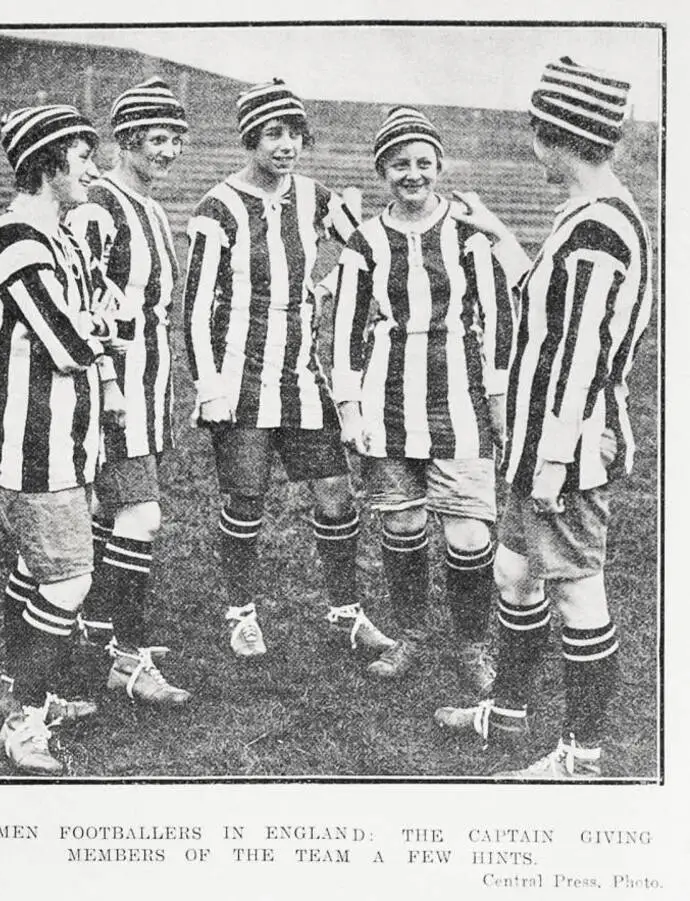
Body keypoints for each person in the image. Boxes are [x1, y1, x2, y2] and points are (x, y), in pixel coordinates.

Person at [434, 57, 653, 779]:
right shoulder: (594, 217)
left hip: (568, 451)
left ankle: (581, 756)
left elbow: (578, 357)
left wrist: (552, 465)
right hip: (540, 446)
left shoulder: (600, 230)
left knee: (576, 588)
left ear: (553, 135)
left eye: (536, 129)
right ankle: (511, 710)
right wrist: (498, 233)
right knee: (516, 575)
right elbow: (550, 306)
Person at [182, 79, 392, 659]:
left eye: (295, 133)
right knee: (246, 500)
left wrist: (324, 285)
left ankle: (345, 613)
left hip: (301, 375)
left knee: (334, 494)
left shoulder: (316, 197)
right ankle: (240, 612)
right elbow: (196, 307)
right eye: (274, 133)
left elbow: (366, 256)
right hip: (241, 376)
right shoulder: (216, 207)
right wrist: (209, 386)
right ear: (251, 137)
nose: (286, 145)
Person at [0, 104, 131, 774]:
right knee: (69, 581)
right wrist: (101, 328)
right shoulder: (18, 239)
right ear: (48, 163)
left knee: (36, 573)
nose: (93, 171)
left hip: (65, 444)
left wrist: (96, 323)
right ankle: (25, 721)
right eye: (83, 157)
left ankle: (27, 691)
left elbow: (92, 315)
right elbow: (72, 342)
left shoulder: (58, 235)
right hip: (31, 448)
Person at [332, 107, 514, 685]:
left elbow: (498, 320)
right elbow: (343, 331)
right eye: (400, 164)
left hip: (459, 402)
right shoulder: (364, 241)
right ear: (383, 169)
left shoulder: (466, 236)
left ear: (439, 167)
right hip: (386, 404)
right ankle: (410, 635)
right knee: (403, 526)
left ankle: (472, 645)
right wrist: (348, 406)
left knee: (468, 533)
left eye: (424, 163)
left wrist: (499, 398)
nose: (413, 174)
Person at [66, 77, 190, 707]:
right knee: (140, 515)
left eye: (174, 139)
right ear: (126, 139)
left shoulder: (152, 205)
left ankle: (96, 626)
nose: (166, 150)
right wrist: (110, 383)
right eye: (155, 138)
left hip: (152, 381)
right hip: (113, 387)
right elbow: (82, 303)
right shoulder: (99, 205)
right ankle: (128, 659)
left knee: (113, 512)